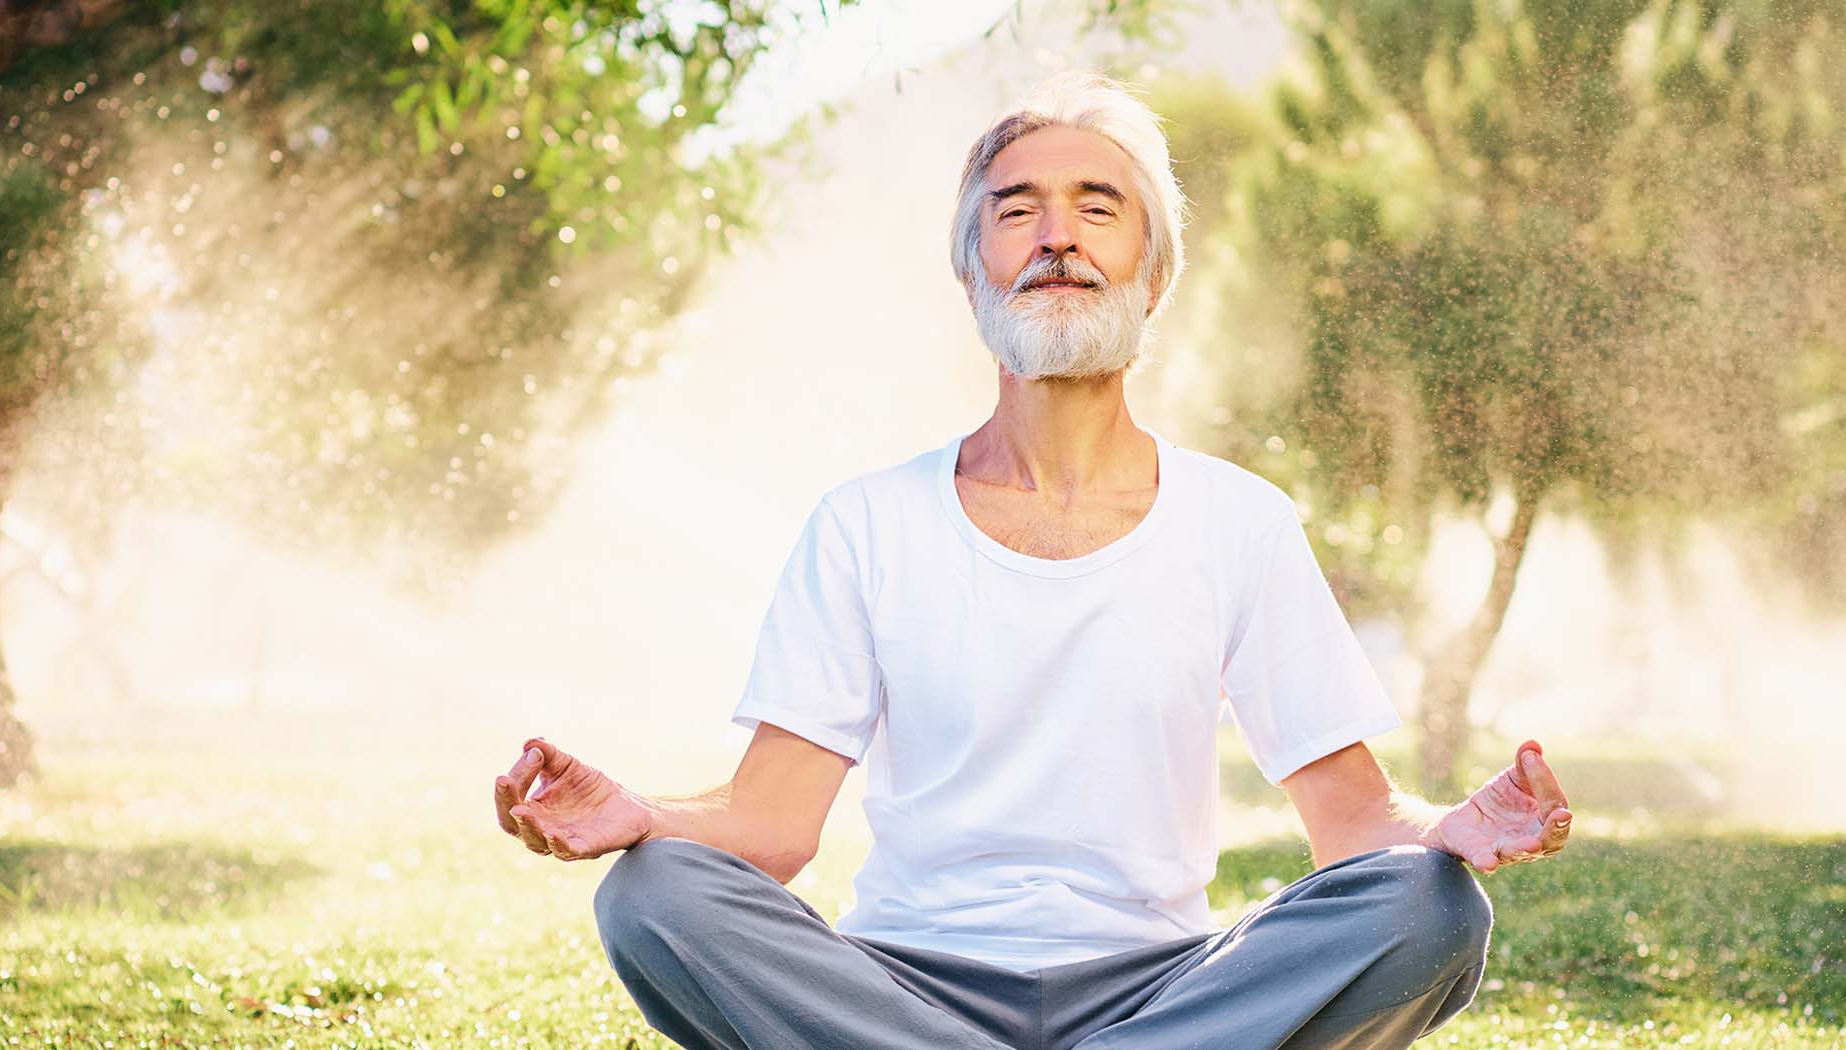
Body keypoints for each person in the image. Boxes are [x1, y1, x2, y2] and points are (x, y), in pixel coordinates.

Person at [491, 72, 1574, 1050]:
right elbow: (770, 828)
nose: (1058, 237)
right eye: (1017, 212)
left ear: (1153, 276)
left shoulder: (1239, 521)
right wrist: (646, 816)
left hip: (1163, 995)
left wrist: (1448, 831)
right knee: (653, 896)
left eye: (1098, 210)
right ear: (974, 278)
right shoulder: (865, 524)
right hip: (902, 991)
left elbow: (1354, 827)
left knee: (1430, 906)